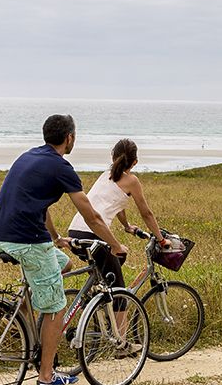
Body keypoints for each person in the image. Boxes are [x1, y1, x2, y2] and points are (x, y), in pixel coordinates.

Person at [0, 114, 127, 385]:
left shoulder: (28, 156)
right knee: (56, 308)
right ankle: (47, 376)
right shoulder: (62, 167)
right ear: (69, 138)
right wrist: (115, 244)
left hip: (0, 236)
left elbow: (40, 206)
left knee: (62, 264)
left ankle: (23, 319)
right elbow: (92, 217)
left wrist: (56, 238)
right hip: (27, 241)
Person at [68, 139, 170, 341]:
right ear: (135, 162)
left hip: (75, 232)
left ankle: (101, 305)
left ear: (113, 157)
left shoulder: (105, 175)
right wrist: (160, 238)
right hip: (93, 235)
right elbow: (147, 213)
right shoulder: (132, 181)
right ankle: (121, 344)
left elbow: (117, 203)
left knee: (119, 257)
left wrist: (126, 226)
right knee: (120, 289)